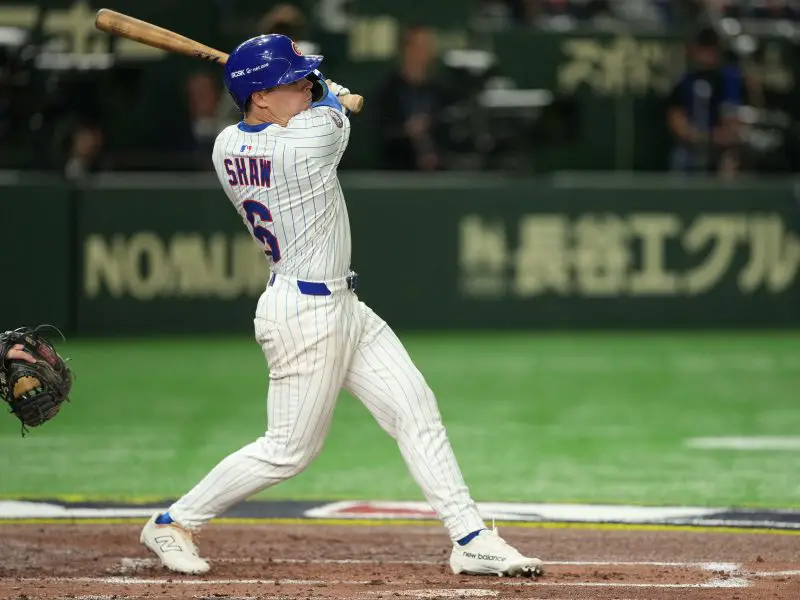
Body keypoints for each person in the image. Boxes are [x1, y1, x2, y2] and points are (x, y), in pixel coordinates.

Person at [138, 34, 544, 579]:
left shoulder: (226, 145)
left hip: (340, 303)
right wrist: (329, 94)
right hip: (303, 315)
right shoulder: (309, 142)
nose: (304, 83)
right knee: (287, 451)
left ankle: (469, 537)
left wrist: (312, 90)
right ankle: (174, 521)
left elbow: (307, 106)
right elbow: (328, 116)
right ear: (259, 96)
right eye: (292, 79)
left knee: (414, 408)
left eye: (306, 77)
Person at [667, 26, 743, 177]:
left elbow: (732, 123)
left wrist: (718, 137)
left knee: (731, 161)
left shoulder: (728, 78)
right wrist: (696, 136)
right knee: (681, 156)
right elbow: (676, 117)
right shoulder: (685, 80)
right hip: (690, 146)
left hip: (720, 148)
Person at [375, 25, 448, 171]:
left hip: (439, 174)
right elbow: (380, 133)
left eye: (428, 47)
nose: (423, 53)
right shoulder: (388, 91)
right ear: (405, 50)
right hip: (399, 172)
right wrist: (405, 131)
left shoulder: (440, 90)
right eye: (418, 46)